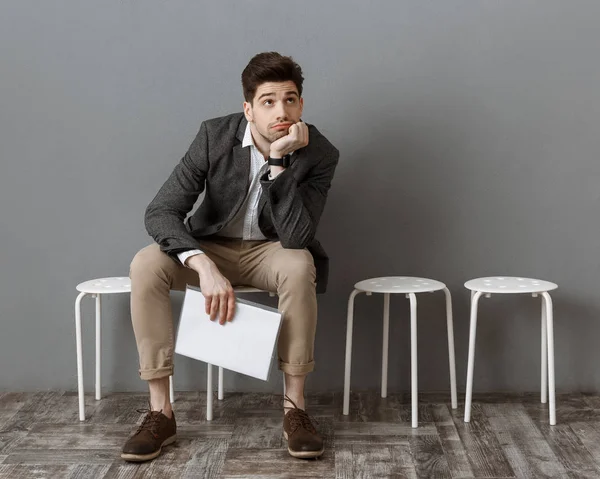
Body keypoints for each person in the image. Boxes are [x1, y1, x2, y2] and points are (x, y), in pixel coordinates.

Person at [121, 52, 339, 462]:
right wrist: (202, 265)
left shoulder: (320, 153)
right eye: (269, 101)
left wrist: (278, 162)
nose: (281, 111)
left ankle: (295, 410)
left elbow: (296, 237)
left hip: (272, 251)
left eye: (290, 100)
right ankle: (160, 413)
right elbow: (161, 210)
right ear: (248, 108)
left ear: (302, 105)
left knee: (299, 265)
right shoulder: (214, 136)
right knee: (146, 264)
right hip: (212, 248)